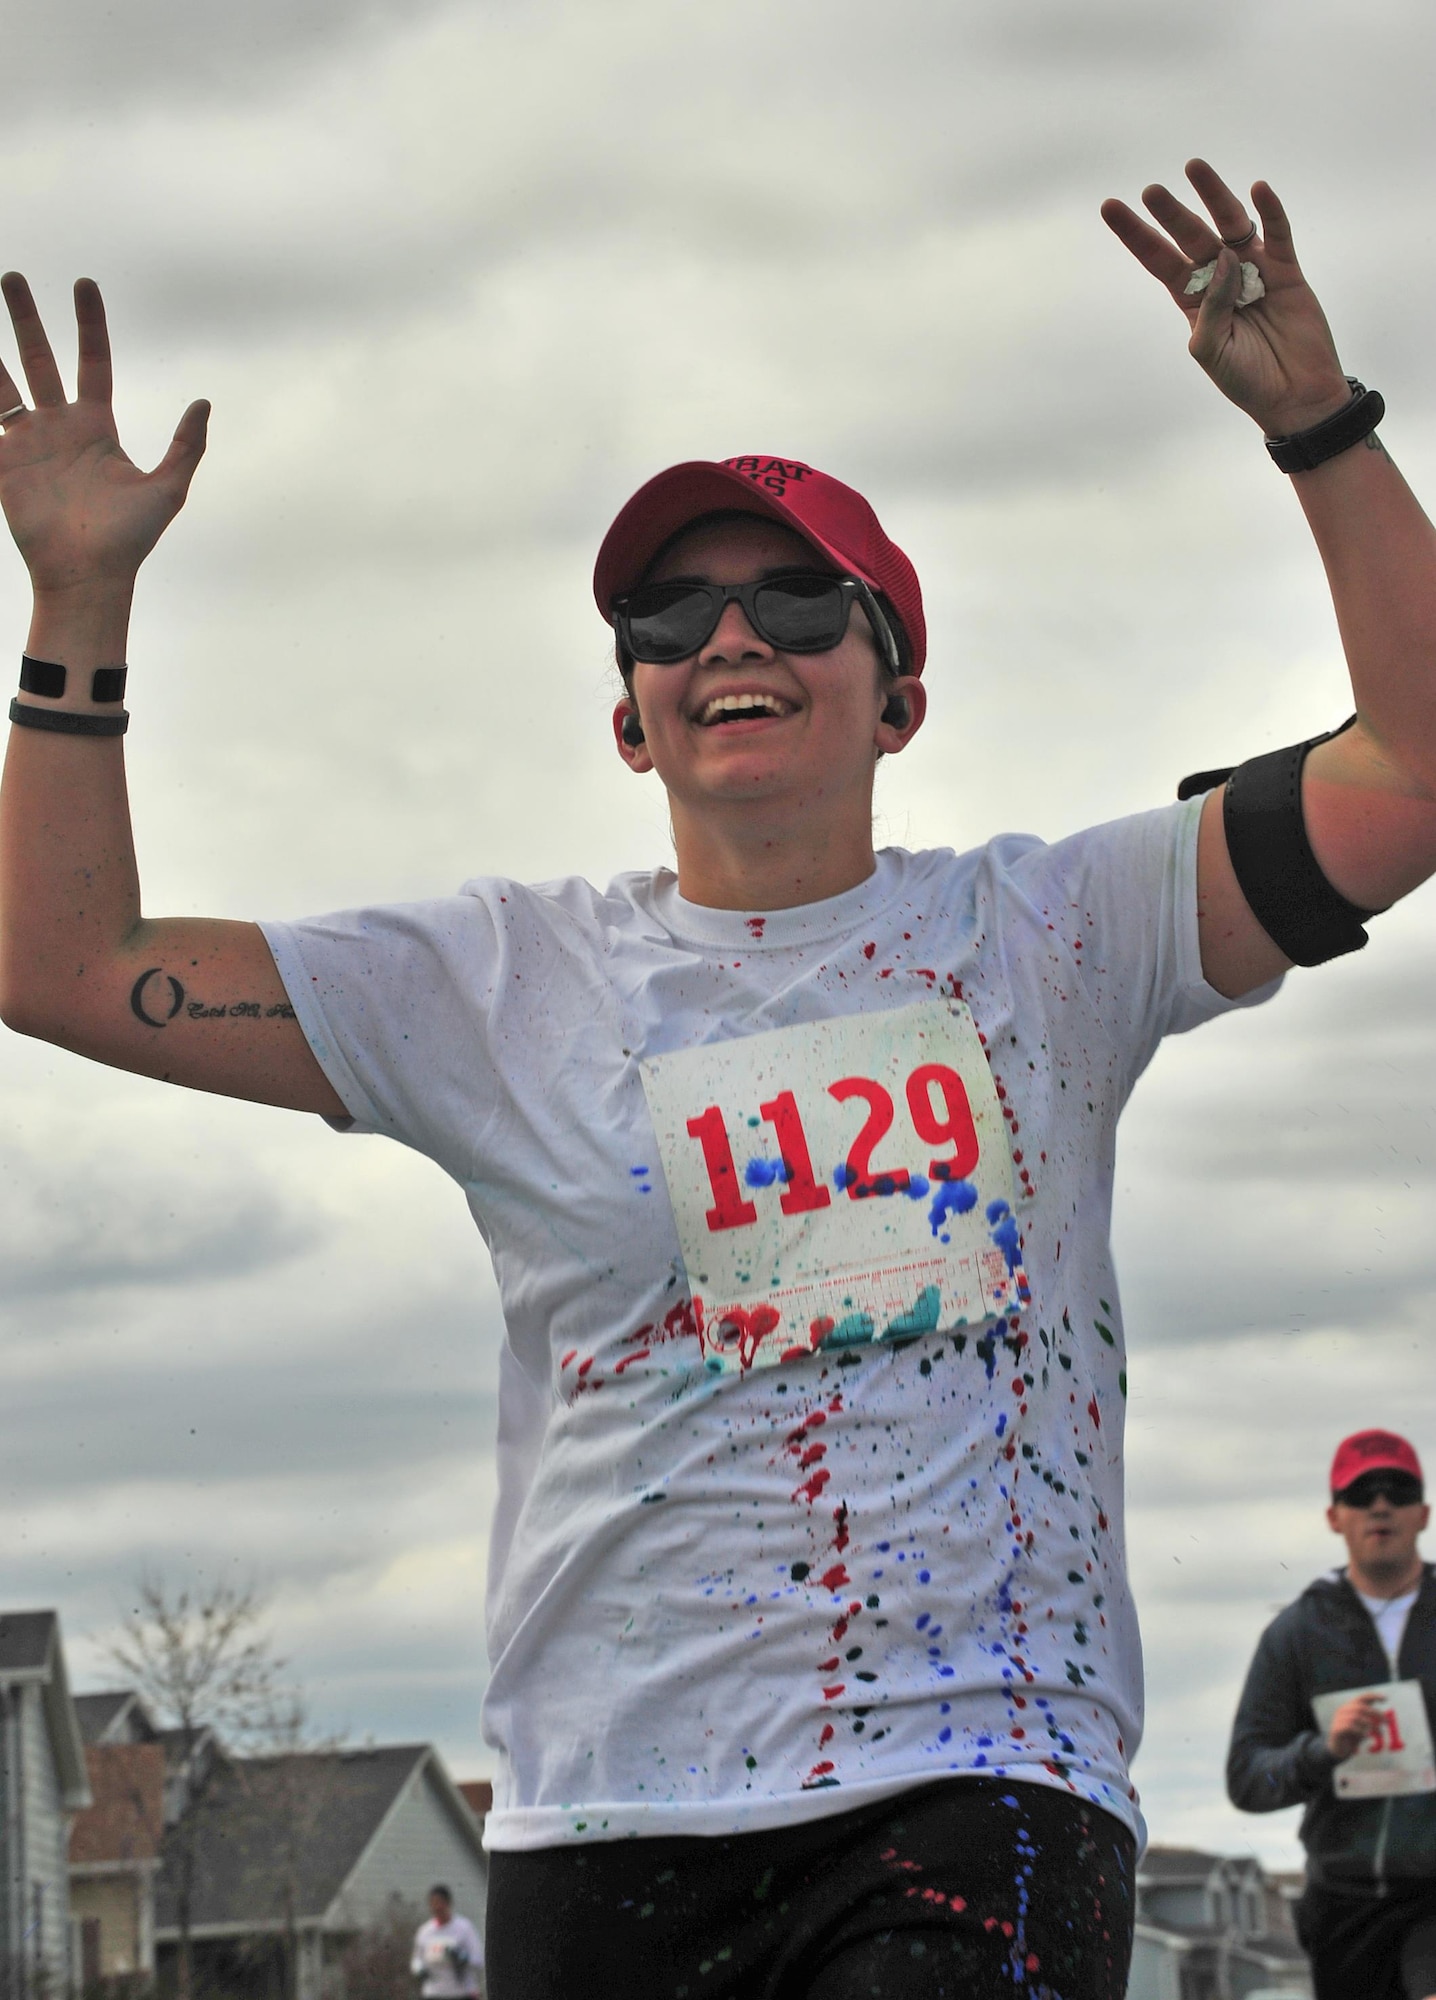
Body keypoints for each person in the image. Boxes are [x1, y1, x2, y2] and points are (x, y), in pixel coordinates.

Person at [1, 157, 1434, 1999]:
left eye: (798, 603)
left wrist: (1321, 427)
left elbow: (1412, 773)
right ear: (631, 718)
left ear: (898, 695)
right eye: (672, 620)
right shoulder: (498, 985)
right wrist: (77, 604)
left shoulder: (1059, 934)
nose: (731, 639)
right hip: (612, 1816)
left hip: (977, 1777)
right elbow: (64, 967)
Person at [1228, 1431, 1436, 2000]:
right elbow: (1247, 1778)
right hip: (1345, 1905)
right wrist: (1325, 1751)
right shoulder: (1297, 1633)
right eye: (1361, 1493)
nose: (1380, 1505)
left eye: (1398, 1490)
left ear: (1423, 1513)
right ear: (1334, 1516)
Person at [411, 1885, 484, 1999]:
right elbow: (417, 1959)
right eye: (433, 1903)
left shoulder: (464, 1928)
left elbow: (478, 1960)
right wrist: (420, 1970)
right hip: (434, 1992)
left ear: (448, 1903)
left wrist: (462, 1957)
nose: (437, 1907)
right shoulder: (425, 1931)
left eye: (440, 1902)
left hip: (462, 1993)